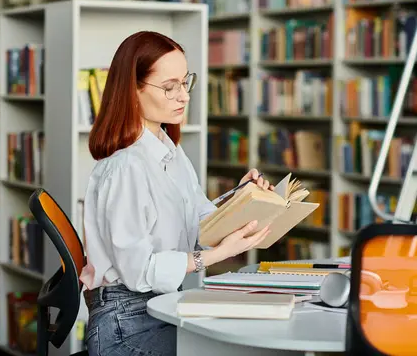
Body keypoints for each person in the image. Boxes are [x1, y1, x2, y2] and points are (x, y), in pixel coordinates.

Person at [79, 31, 274, 356]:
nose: (183, 96)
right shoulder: (126, 167)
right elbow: (138, 270)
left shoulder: (170, 150)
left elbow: (201, 220)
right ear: (134, 92)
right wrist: (213, 257)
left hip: (161, 306)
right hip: (125, 322)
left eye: (186, 83)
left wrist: (243, 201)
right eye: (169, 87)